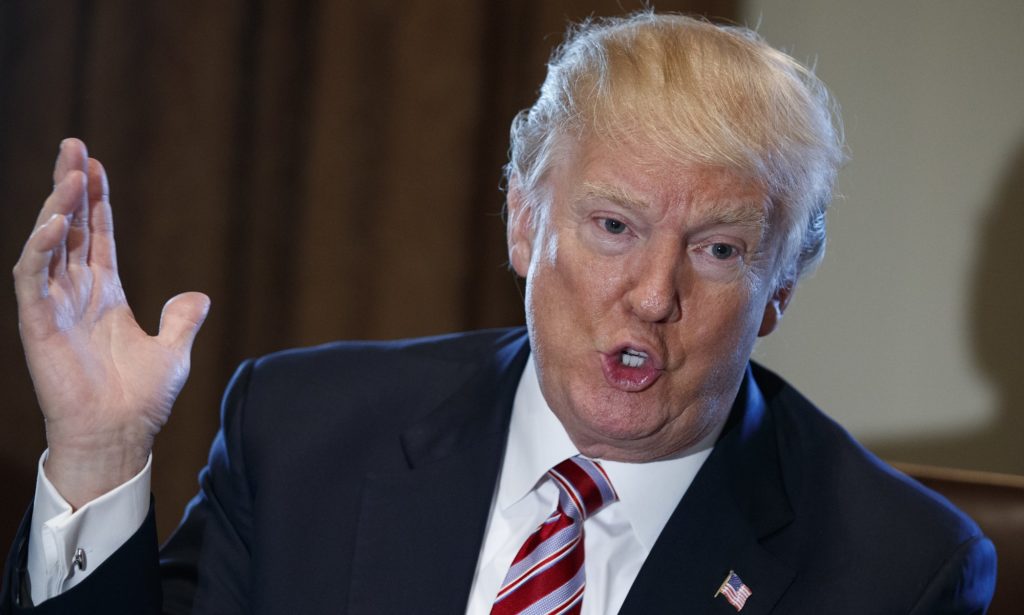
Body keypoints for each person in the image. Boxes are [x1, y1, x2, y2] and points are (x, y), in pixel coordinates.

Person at [2, 12, 996, 615]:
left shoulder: (898, 570)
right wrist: (99, 454)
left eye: (719, 251)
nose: (654, 295)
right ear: (525, 224)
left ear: (779, 288)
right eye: (613, 226)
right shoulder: (303, 434)